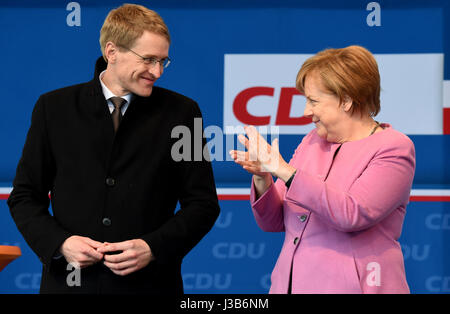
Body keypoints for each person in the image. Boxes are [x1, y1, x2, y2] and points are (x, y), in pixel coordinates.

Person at [8, 4, 220, 294]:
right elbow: (24, 196)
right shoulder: (54, 108)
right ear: (112, 51)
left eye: (163, 61)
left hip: (151, 287)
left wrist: (152, 247)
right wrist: (61, 243)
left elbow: (203, 204)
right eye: (148, 59)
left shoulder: (182, 113)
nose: (157, 71)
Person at [230, 45, 415, 294]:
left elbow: (352, 214)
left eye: (313, 101)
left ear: (346, 100)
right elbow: (273, 222)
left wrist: (284, 170)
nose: (306, 111)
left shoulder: (394, 148)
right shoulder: (311, 141)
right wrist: (263, 177)